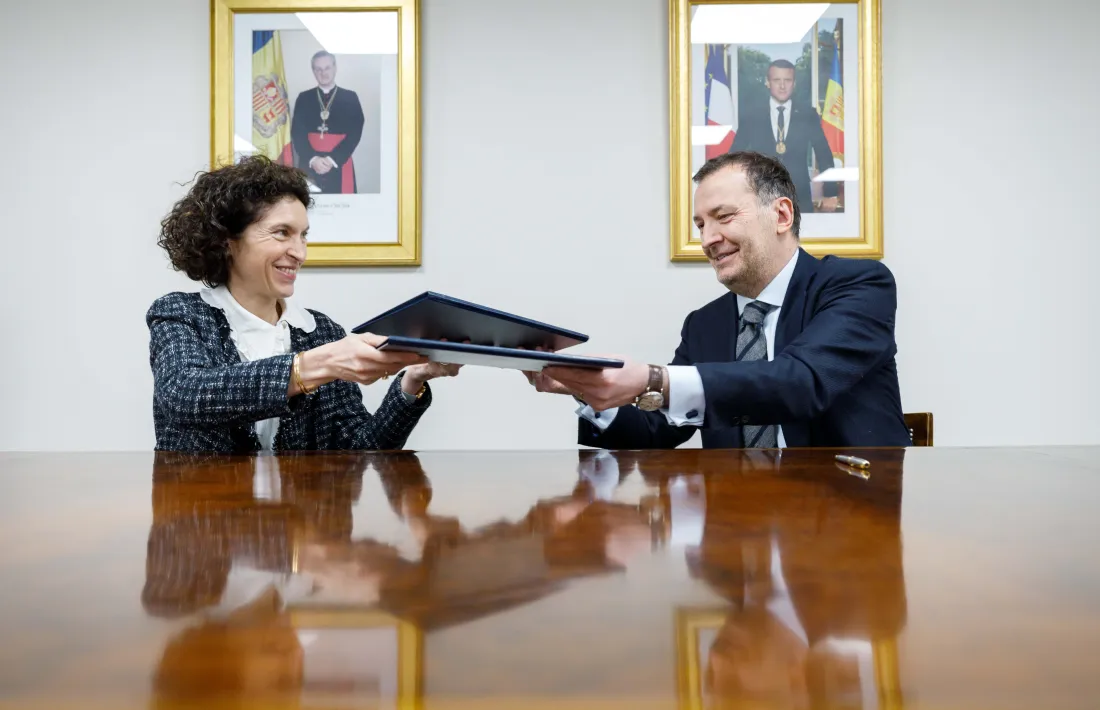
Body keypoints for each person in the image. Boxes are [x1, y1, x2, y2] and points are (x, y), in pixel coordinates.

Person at [524, 151, 910, 449]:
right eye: (700, 225)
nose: (707, 239)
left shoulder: (858, 285)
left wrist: (654, 378)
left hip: (855, 525)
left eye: (723, 217)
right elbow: (655, 430)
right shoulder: (704, 324)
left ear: (781, 215)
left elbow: (802, 381)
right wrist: (584, 387)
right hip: (733, 532)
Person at [148, 155, 459, 453]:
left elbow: (359, 448)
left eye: (303, 236)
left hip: (296, 510)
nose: (299, 252)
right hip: (196, 507)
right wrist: (318, 364)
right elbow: (183, 394)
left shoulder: (321, 332)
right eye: (282, 233)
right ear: (228, 240)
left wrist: (411, 381)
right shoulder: (181, 314)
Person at [730, 59, 838, 214]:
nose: (782, 86)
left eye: (787, 80)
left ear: (794, 83)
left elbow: (824, 155)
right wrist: (732, 194)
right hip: (760, 197)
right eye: (776, 80)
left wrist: (830, 193)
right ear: (768, 82)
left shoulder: (808, 114)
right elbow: (735, 156)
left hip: (799, 197)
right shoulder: (752, 115)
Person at [289, 50, 364, 194]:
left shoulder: (350, 97)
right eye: (318, 69)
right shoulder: (304, 98)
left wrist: (333, 159)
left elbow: (355, 132)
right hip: (310, 162)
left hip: (339, 162)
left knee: (342, 211)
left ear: (335, 68)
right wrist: (313, 158)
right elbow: (297, 132)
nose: (323, 73)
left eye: (327, 68)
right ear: (313, 71)